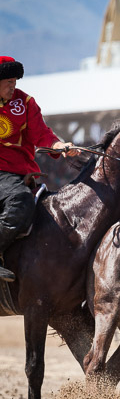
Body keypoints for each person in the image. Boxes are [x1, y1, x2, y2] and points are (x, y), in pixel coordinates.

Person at [0, 56, 79, 282]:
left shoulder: (25, 102)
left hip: (21, 174)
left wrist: (59, 145)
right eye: (8, 81)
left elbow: (42, 134)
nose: (13, 85)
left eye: (15, 80)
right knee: (20, 200)